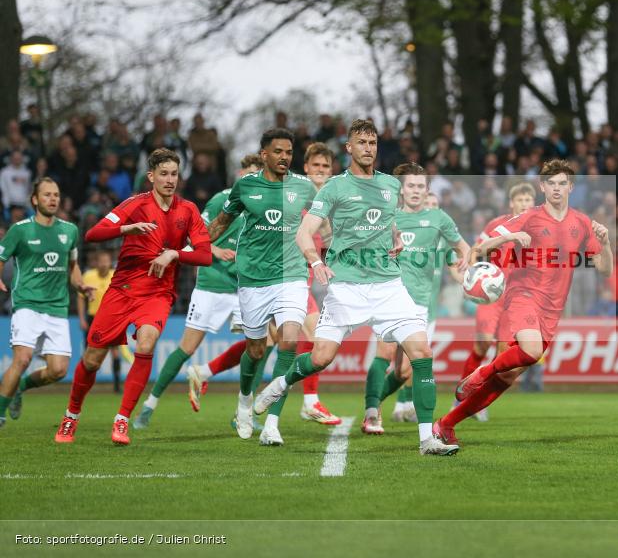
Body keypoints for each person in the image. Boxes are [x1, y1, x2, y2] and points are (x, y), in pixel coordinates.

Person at [253, 119, 460, 456]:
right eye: (361, 142)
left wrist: (394, 240)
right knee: (320, 358)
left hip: (389, 285)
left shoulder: (391, 185)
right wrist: (316, 261)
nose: (368, 148)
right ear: (348, 148)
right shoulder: (334, 187)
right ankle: (280, 384)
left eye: (373, 142)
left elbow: (389, 219)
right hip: (347, 287)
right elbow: (304, 232)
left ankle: (427, 440)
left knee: (421, 353)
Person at [434, 159, 613, 445]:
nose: (556, 188)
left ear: (571, 186)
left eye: (562, 183)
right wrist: (513, 235)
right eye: (551, 183)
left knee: (507, 378)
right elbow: (482, 246)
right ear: (543, 186)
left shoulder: (581, 222)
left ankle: (446, 424)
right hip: (523, 295)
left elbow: (605, 269)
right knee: (528, 351)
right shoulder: (528, 216)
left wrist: (605, 244)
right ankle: (482, 371)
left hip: (553, 308)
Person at [54, 149, 212, 445]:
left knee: (148, 340)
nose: (169, 180)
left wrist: (173, 254)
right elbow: (94, 234)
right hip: (122, 291)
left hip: (158, 293)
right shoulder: (134, 204)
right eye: (163, 174)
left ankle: (122, 421)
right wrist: (127, 227)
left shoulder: (188, 209)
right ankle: (70, 417)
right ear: (151, 176)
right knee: (92, 360)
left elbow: (204, 254)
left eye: (174, 174)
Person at [205, 128, 319, 446]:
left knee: (289, 338)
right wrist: (186, 246)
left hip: (292, 275)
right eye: (278, 152)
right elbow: (218, 226)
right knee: (255, 350)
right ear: (265, 154)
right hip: (254, 280)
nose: (285, 157)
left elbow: (326, 217)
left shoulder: (302, 187)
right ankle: (244, 402)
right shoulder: (245, 187)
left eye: (289, 152)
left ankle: (272, 423)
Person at [132, 153, 262, 429]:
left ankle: (241, 411)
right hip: (212, 285)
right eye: (249, 175)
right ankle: (149, 405)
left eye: (257, 175)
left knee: (263, 345)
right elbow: (195, 235)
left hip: (244, 287)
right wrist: (214, 249)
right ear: (240, 176)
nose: (253, 180)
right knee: (187, 347)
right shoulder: (221, 200)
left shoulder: (262, 206)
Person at [360, 162, 470, 434]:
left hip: (420, 304)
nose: (417, 191)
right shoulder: (387, 218)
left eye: (422, 186)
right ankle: (372, 414)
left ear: (428, 189)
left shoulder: (439, 220)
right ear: (401, 189)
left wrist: (471, 273)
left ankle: (378, 402)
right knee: (384, 353)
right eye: (411, 185)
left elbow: (462, 249)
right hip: (388, 297)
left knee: (405, 372)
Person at [0, 179, 91, 428]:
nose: (53, 199)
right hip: (27, 303)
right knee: (23, 359)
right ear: (35, 200)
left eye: (56, 195)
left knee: (58, 371)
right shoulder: (20, 230)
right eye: (47, 195)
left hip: (57, 308)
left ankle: (21, 387)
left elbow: (72, 266)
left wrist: (81, 286)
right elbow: (1, 256)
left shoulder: (69, 231)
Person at [458, 182, 536, 421]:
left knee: (503, 354)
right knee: (482, 344)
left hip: (517, 301)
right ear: (512, 203)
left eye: (528, 200)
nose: (524, 204)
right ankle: (459, 397)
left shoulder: (541, 230)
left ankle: (477, 400)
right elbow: (476, 251)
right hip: (492, 295)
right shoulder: (497, 225)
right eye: (520, 200)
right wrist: (471, 277)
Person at [77, 249, 127, 392]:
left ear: (110, 262)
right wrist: (81, 318)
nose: (104, 264)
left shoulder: (115, 276)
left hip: (112, 319)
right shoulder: (88, 276)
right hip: (93, 318)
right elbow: (81, 298)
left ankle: (117, 386)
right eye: (101, 261)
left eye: (106, 261)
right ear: (96, 263)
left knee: (115, 351)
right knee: (89, 353)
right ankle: (83, 384)